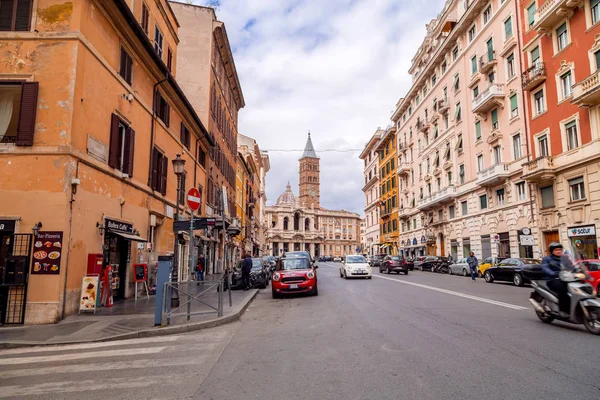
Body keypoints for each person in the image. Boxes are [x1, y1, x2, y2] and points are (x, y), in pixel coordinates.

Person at [542, 242, 574, 318]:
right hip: (553, 279)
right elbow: (545, 268)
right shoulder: (547, 259)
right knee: (563, 289)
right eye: (556, 250)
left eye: (560, 249)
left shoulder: (565, 258)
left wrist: (579, 271)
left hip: (566, 279)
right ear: (552, 251)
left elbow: (572, 267)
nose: (559, 251)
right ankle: (563, 310)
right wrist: (552, 273)